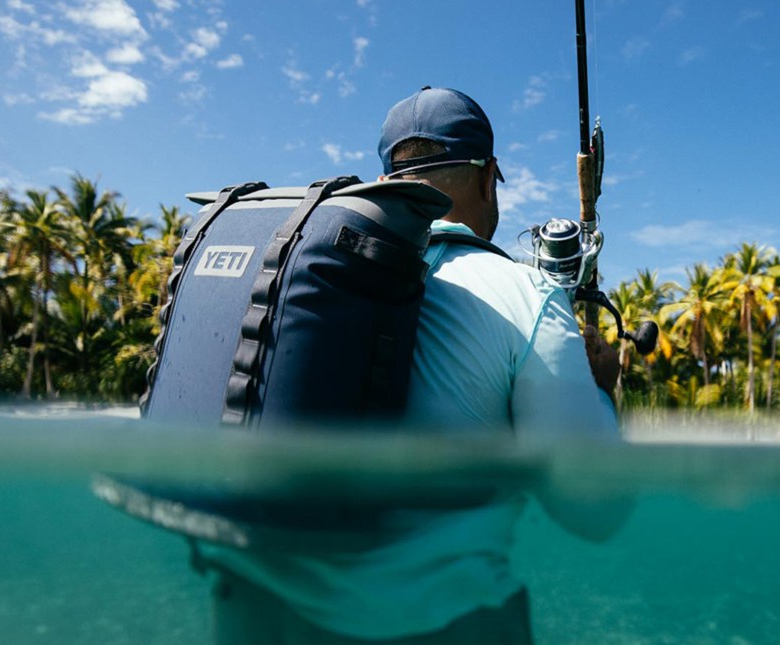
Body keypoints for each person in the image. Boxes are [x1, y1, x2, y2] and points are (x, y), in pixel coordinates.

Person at [199, 86, 630, 644]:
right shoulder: (526, 294)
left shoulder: (287, 280)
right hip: (440, 627)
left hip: (261, 620)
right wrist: (602, 392)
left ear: (386, 184)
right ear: (486, 178)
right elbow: (594, 513)